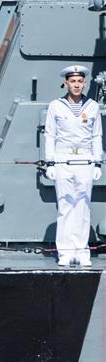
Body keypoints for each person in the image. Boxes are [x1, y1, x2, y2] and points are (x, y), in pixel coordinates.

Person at [44, 65, 102, 266]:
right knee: (66, 205)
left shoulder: (93, 106)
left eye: (80, 81)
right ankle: (66, 251)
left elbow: (96, 136)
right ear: (66, 83)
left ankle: (82, 250)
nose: (76, 85)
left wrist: (97, 162)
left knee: (83, 206)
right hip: (63, 159)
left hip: (85, 160)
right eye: (73, 81)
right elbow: (50, 135)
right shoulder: (55, 106)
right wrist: (50, 162)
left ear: (84, 83)